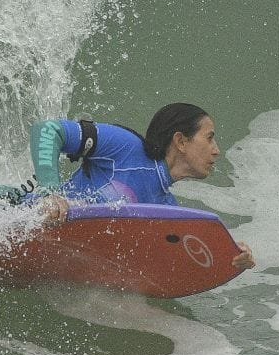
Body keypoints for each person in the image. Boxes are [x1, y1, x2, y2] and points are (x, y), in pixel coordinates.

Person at [28, 103, 254, 270]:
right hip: (17, 215)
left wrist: (232, 257)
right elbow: (48, 130)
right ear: (181, 141)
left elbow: (178, 267)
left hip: (52, 255)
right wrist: (50, 194)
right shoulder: (125, 147)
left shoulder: (166, 210)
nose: (217, 150)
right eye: (209, 138)